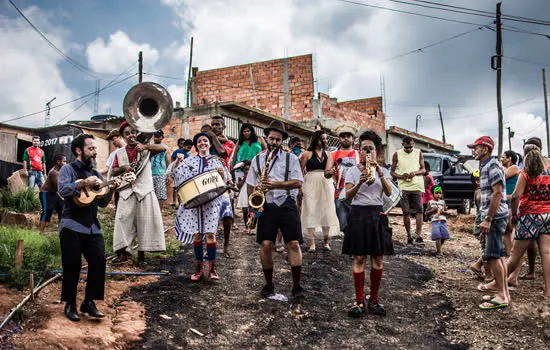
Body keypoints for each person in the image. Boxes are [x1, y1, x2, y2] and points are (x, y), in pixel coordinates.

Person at [57, 134, 121, 322]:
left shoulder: (98, 175)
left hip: (92, 226)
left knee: (99, 260)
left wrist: (111, 190)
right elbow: (63, 190)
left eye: (95, 149)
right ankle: (70, 303)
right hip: (71, 224)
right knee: (72, 264)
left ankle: (89, 302)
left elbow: (101, 203)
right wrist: (84, 183)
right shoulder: (68, 169)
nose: (95, 152)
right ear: (79, 150)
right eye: (91, 148)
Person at [246, 120, 304, 299]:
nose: (274, 142)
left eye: (278, 140)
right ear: (266, 138)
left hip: (286, 203)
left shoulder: (291, 158)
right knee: (266, 244)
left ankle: (296, 286)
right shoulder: (258, 159)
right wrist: (252, 208)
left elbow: (298, 182)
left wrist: (275, 184)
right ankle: (269, 285)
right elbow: (250, 184)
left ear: (282, 141)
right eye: (271, 139)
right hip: (265, 204)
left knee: (293, 244)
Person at [343, 130, 393, 317]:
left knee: (378, 259)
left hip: (377, 213)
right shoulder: (352, 171)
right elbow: (347, 196)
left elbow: (388, 193)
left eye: (371, 149)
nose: (367, 152)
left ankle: (374, 299)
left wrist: (379, 172)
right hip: (358, 213)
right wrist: (359, 183)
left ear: (376, 152)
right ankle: (358, 300)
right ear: (360, 151)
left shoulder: (384, 171)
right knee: (359, 259)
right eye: (364, 149)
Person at [170, 132, 226, 280]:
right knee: (197, 235)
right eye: (199, 141)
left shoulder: (217, 162)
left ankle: (212, 268)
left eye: (205, 141)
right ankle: (198, 268)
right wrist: (177, 161)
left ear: (209, 144)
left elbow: (225, 182)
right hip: (194, 203)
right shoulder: (190, 161)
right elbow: (173, 173)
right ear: (196, 145)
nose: (202, 143)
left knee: (210, 234)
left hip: (211, 202)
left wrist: (222, 175)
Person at [111, 121, 166, 265]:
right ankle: (124, 253)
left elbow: (162, 148)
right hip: (126, 191)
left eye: (133, 132)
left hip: (144, 190)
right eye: (127, 133)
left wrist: (145, 146)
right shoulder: (119, 153)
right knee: (122, 220)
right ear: (123, 136)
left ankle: (141, 256)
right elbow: (114, 170)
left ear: (137, 133)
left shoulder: (146, 149)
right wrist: (124, 167)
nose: (131, 135)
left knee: (144, 222)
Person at [468, 136, 510, 310]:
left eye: (476, 148)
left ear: (485, 149)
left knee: (492, 256)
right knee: (498, 255)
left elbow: (498, 193)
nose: (474, 151)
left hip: (494, 217)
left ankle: (501, 296)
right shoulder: (486, 166)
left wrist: (488, 219)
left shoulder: (492, 166)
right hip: (495, 216)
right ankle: (504, 293)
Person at [506, 149, 550, 297]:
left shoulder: (525, 174)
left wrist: (513, 214)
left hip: (529, 216)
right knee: (546, 252)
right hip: (547, 215)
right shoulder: (548, 174)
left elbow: (515, 196)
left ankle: (497, 282)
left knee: (515, 254)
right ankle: (548, 289)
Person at [299, 130, 340, 253]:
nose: (325, 141)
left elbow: (327, 172)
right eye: (322, 138)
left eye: (326, 139)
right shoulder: (306, 154)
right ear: (315, 139)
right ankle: (312, 243)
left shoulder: (329, 154)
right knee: (311, 210)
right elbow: (300, 171)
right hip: (310, 182)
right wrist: (300, 187)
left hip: (325, 183)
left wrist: (332, 172)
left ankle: (326, 241)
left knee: (326, 211)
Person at [208, 116, 236, 258]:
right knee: (208, 214)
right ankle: (209, 247)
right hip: (207, 177)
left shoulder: (230, 143)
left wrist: (212, 136)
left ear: (223, 127)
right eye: (212, 125)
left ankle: (226, 246)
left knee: (226, 215)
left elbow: (222, 152)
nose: (215, 127)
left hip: (223, 177)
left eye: (218, 124)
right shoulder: (206, 140)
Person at [390, 137, 426, 244]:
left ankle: (418, 235)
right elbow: (392, 172)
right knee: (405, 212)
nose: (409, 149)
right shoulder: (397, 154)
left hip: (417, 186)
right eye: (406, 147)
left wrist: (415, 173)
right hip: (404, 187)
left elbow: (423, 169)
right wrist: (401, 176)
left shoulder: (419, 152)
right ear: (402, 145)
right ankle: (409, 236)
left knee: (419, 210)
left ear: (413, 144)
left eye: (410, 147)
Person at [331, 125, 360, 233]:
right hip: (339, 194)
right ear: (339, 139)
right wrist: (330, 172)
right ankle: (349, 247)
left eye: (348, 136)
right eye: (343, 136)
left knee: (357, 224)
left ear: (353, 139)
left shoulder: (359, 154)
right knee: (344, 226)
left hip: (357, 194)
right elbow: (327, 173)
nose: (346, 138)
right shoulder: (334, 154)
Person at [469, 170, 493, 282]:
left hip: (482, 224)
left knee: (488, 248)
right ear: (478, 181)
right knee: (487, 249)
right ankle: (485, 272)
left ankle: (481, 268)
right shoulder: (479, 191)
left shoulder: (481, 190)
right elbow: (479, 198)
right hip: (481, 225)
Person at [39, 154, 66, 235]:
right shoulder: (54, 172)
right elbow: (59, 187)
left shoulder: (62, 170)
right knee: (46, 211)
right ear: (58, 162)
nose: (65, 163)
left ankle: (61, 232)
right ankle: (41, 233)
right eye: (64, 161)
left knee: (62, 209)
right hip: (45, 193)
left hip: (54, 193)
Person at [501, 150, 520, 257]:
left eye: (503, 157)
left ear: (509, 158)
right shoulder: (506, 168)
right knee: (506, 231)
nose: (502, 159)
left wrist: (500, 167)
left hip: (511, 201)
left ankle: (516, 256)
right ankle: (510, 255)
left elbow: (502, 176)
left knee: (512, 228)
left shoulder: (514, 167)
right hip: (505, 200)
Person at [426, 186, 450, 256]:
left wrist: (442, 212)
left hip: (443, 221)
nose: (438, 194)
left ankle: (438, 249)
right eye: (436, 193)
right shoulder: (430, 202)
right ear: (432, 194)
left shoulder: (443, 202)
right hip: (435, 221)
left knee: (444, 236)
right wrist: (433, 210)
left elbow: (446, 212)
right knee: (438, 236)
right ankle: (439, 252)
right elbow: (427, 213)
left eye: (440, 193)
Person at [151, 130, 171, 208]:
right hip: (150, 174)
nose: (156, 138)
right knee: (150, 196)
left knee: (161, 196)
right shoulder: (150, 146)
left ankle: (159, 213)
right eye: (155, 136)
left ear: (162, 137)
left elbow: (168, 162)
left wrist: (168, 175)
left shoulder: (165, 148)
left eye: (158, 136)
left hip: (161, 174)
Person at [236, 160, 253, 234]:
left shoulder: (253, 178)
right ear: (242, 170)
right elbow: (238, 186)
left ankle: (252, 227)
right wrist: (244, 179)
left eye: (249, 169)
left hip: (251, 194)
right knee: (245, 211)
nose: (247, 171)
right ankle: (246, 226)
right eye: (246, 169)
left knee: (252, 212)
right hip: (243, 195)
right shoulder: (241, 177)